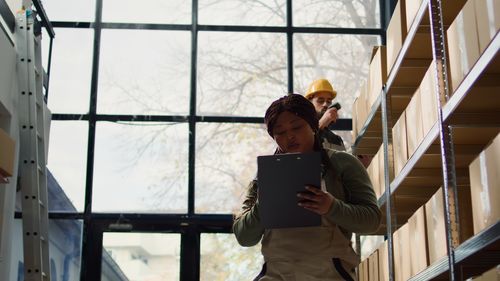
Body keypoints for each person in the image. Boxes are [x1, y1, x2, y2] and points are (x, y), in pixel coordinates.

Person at [233, 94, 381, 281]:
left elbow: (372, 220)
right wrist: (263, 206)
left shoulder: (343, 163)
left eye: (296, 127)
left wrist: (332, 207)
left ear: (313, 126)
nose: (290, 136)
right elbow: (243, 237)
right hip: (276, 275)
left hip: (330, 275)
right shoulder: (263, 176)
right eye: (280, 132)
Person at [304, 78, 346, 151]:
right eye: (320, 101)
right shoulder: (301, 129)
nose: (325, 104)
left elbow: (343, 161)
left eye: (329, 101)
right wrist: (321, 124)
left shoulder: (337, 140)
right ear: (309, 104)